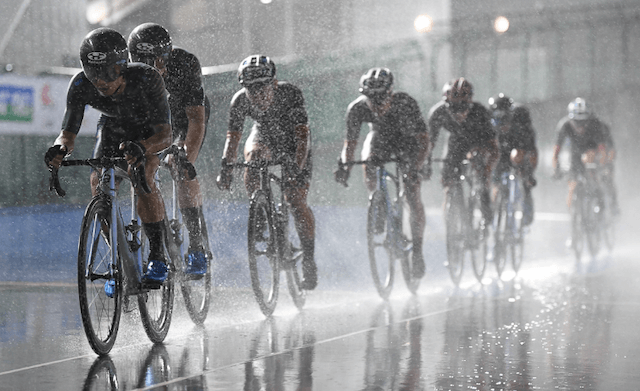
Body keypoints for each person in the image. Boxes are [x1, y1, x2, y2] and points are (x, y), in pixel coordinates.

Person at [43, 28, 172, 288]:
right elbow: (67, 135)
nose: (101, 81)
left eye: (109, 72)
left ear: (123, 66)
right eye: (93, 73)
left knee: (144, 175)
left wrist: (144, 147)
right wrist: (58, 150)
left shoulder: (147, 78)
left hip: (149, 132)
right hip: (112, 129)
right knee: (98, 184)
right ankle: (119, 257)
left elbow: (166, 136)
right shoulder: (80, 84)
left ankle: (158, 254)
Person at [215, 55, 317, 290]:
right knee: (252, 158)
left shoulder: (290, 93)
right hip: (264, 136)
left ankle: (309, 260)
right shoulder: (240, 101)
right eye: (252, 89)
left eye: (263, 87)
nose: (258, 94)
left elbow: (303, 137)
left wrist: (296, 167)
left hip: (294, 142)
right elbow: (233, 140)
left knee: (296, 200)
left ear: (274, 83)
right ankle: (261, 209)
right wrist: (226, 168)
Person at [128, 22, 211, 275]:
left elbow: (197, 119)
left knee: (180, 167)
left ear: (168, 56)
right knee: (144, 169)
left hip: (185, 117)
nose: (156, 68)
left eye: (159, 61)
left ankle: (196, 245)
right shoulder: (127, 72)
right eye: (144, 61)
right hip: (155, 119)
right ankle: (157, 245)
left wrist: (186, 158)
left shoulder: (185, 64)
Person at [333, 67, 430, 278]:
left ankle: (418, 252)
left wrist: (415, 168)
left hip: (408, 142)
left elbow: (424, 141)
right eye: (370, 99)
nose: (375, 105)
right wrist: (345, 167)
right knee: (368, 159)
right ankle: (377, 200)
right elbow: (350, 146)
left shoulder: (406, 103)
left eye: (380, 99)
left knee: (413, 193)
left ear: (390, 93)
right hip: (380, 140)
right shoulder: (357, 109)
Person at [426, 77, 498, 224]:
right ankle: (451, 210)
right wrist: (425, 163)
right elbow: (429, 143)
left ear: (470, 103)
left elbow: (494, 148)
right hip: (456, 142)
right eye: (454, 108)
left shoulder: (481, 112)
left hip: (478, 142)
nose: (459, 113)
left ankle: (485, 205)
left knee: (480, 176)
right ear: (446, 104)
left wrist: (487, 172)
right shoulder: (438, 113)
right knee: (448, 178)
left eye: (463, 108)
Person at [552, 97, 616, 212]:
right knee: (572, 185)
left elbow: (603, 150)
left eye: (583, 122)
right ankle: (574, 212)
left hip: (594, 152)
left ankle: (610, 204)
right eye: (576, 122)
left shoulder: (596, 125)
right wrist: (556, 168)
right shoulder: (564, 125)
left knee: (603, 176)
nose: (580, 126)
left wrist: (603, 168)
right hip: (576, 154)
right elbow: (556, 150)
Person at [487, 93, 538, 225]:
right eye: (498, 120)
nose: (503, 125)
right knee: (495, 182)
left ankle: (526, 209)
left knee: (524, 174)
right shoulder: (486, 119)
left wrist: (529, 173)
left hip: (519, 147)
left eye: (505, 120)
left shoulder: (522, 117)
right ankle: (493, 211)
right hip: (500, 151)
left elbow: (531, 149)